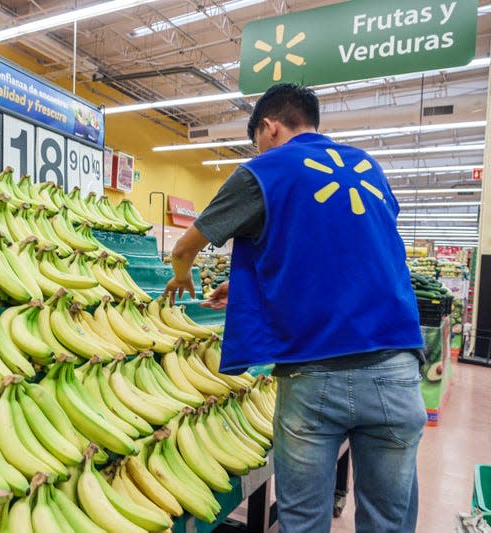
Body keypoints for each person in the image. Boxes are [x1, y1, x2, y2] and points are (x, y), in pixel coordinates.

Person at [164, 83, 426, 533]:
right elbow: (346, 251)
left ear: (269, 127)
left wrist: (181, 271)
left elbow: (188, 245)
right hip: (395, 369)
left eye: (257, 142)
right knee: (389, 522)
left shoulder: (265, 170)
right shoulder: (369, 167)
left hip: (313, 375)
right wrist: (251, 288)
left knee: (302, 521)